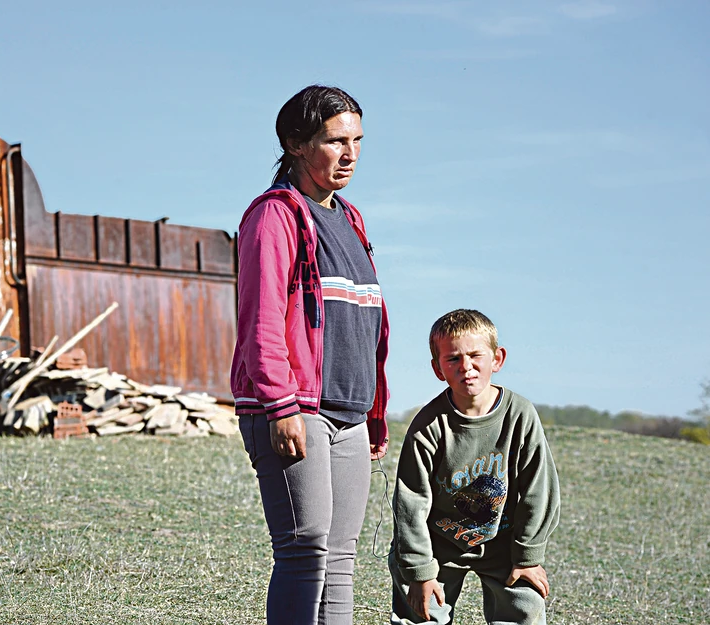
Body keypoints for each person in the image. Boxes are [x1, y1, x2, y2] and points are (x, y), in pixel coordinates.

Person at [231, 84, 390, 625]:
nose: (350, 154)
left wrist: (373, 414)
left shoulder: (352, 220)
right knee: (304, 550)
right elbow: (261, 322)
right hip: (296, 408)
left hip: (349, 413)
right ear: (296, 143)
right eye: (335, 141)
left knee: (340, 560)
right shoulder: (274, 216)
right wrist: (280, 407)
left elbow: (366, 327)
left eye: (357, 140)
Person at [389, 309, 560, 625]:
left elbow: (538, 491)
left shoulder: (520, 416)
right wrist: (419, 570)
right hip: (437, 545)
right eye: (453, 359)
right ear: (438, 368)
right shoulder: (428, 425)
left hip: (503, 544)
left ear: (497, 359)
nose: (466, 367)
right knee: (421, 613)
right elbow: (410, 505)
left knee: (525, 607)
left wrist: (528, 557)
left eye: (475, 355)